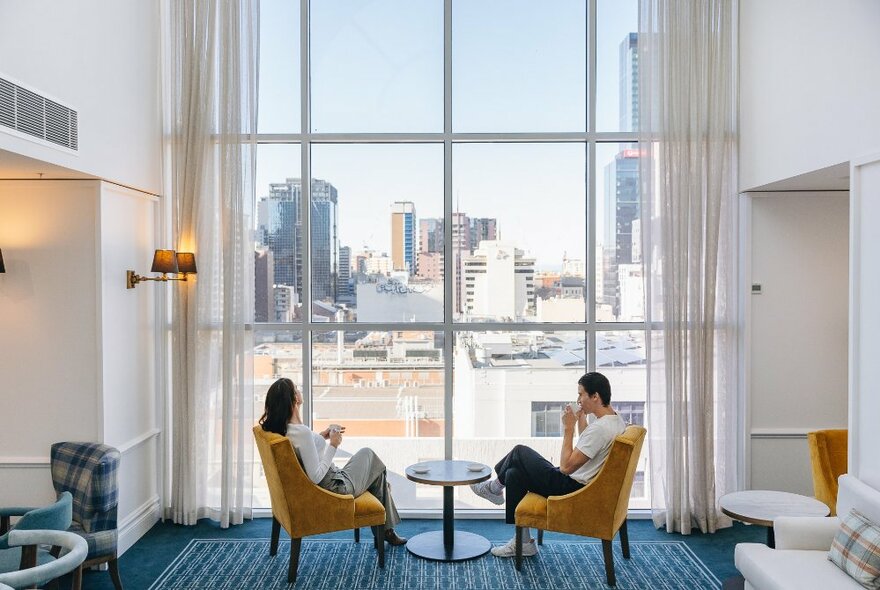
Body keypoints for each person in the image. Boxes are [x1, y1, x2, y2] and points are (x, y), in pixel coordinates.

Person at [470, 372, 626, 558]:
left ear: (595, 396)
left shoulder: (601, 429)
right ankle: (524, 542)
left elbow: (567, 467)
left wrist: (568, 429)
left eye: (581, 394)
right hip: (579, 482)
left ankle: (493, 487)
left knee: (519, 451)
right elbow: (590, 444)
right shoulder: (614, 420)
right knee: (513, 474)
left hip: (571, 488)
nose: (578, 399)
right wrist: (581, 418)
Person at [259, 377, 407, 546]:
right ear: (294, 398)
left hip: (333, 479)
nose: (300, 390)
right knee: (372, 460)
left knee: (376, 474)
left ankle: (385, 531)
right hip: (335, 488)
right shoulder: (302, 433)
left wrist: (322, 436)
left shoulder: (288, 429)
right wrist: (333, 445)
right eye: (297, 388)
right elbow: (315, 476)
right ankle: (385, 531)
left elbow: (307, 451)